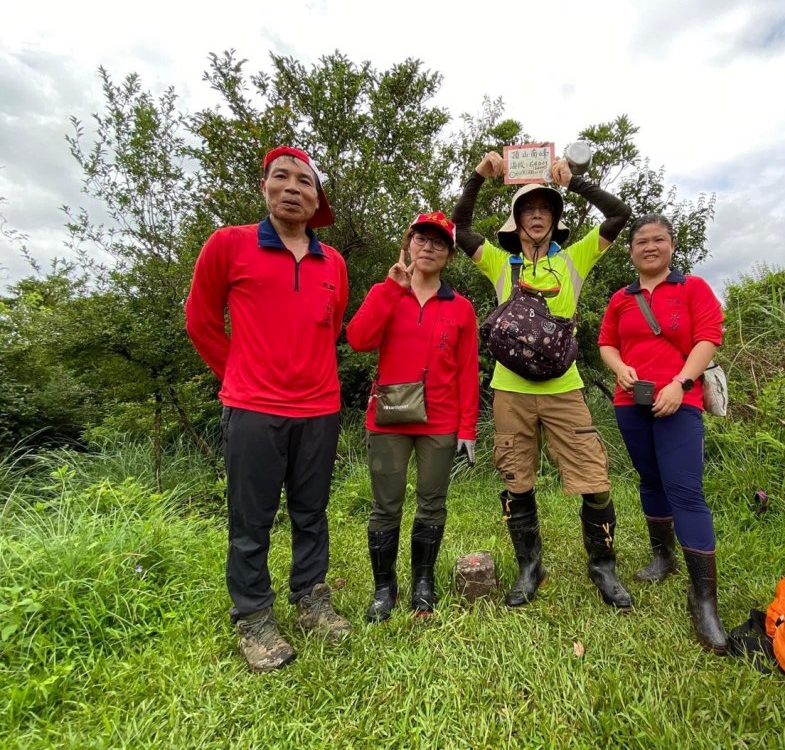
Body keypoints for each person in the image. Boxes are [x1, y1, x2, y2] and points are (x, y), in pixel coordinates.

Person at [185, 145, 351, 672]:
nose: (293, 188)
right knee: (251, 519)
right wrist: (236, 374)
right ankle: (254, 617)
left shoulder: (334, 263)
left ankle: (310, 598)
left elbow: (331, 327)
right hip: (253, 408)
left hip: (320, 408)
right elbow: (201, 320)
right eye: (281, 177)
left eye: (304, 181)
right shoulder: (229, 244)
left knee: (311, 512)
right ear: (265, 186)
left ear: (316, 197)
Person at [452, 150, 633, 610]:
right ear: (517, 220)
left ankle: (603, 567)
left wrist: (572, 183)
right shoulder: (498, 262)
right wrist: (478, 176)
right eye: (529, 210)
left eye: (546, 210)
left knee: (595, 482)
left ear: (555, 220)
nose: (537, 216)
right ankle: (530, 568)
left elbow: (619, 214)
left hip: (564, 389)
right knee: (517, 480)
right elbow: (459, 229)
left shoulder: (574, 259)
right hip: (510, 392)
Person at [597, 213, 728, 653]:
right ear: (631, 251)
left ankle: (704, 599)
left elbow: (708, 338)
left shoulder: (692, 289)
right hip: (630, 402)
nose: (649, 247)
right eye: (641, 242)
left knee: (686, 491)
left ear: (671, 246)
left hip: (679, 401)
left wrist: (681, 384)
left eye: (659, 240)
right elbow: (606, 343)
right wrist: (621, 369)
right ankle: (663, 555)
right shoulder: (621, 298)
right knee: (650, 480)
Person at [346, 212, 480, 623]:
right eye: (421, 239)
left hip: (439, 422)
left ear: (449, 254)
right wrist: (390, 289)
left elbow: (467, 371)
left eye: (438, 242)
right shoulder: (387, 293)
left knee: (432, 504)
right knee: (385, 507)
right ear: (408, 245)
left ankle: (423, 582)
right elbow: (358, 340)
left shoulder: (460, 308)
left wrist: (468, 429)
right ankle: (384, 588)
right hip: (388, 419)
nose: (428, 247)